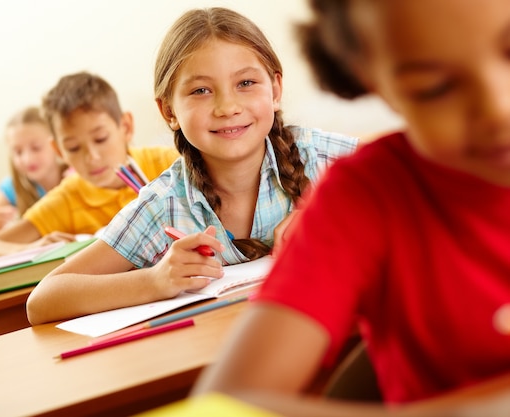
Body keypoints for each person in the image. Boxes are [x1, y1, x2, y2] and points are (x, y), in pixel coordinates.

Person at [191, 0, 510, 415]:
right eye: (433, 88)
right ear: (373, 83)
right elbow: (225, 406)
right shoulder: (369, 198)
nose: (498, 110)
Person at [25, 7, 358, 326]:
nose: (227, 107)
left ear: (275, 89)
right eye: (201, 90)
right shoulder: (165, 204)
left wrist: (333, 220)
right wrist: (154, 281)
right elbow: (43, 300)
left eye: (245, 83)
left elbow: (411, 182)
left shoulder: (321, 158)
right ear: (169, 112)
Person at [0, 72, 179, 261]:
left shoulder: (167, 163)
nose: (92, 157)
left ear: (125, 127)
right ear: (59, 151)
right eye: (73, 147)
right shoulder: (66, 199)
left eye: (100, 139)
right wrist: (32, 248)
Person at [0, 106, 69, 238]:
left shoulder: (75, 177)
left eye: (36, 148)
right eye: (18, 152)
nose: (27, 159)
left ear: (54, 144)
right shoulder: (14, 187)